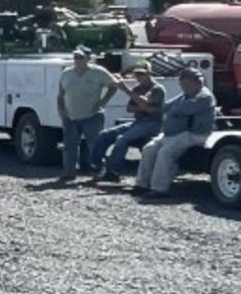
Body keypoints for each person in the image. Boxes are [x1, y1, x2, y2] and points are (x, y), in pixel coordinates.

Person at [132, 67, 217, 199]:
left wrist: (169, 110)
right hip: (175, 134)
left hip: (194, 134)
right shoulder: (185, 95)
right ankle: (141, 184)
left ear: (197, 82)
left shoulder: (204, 97)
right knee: (148, 149)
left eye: (186, 83)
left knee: (165, 153)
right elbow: (165, 107)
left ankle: (159, 189)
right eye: (182, 83)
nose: (183, 86)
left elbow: (180, 109)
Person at [90, 64, 164, 181]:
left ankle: (114, 172)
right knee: (104, 134)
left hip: (152, 124)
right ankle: (96, 166)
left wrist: (126, 90)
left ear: (149, 74)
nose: (139, 77)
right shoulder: (137, 89)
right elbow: (130, 108)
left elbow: (151, 109)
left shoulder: (157, 89)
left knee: (122, 140)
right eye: (137, 75)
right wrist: (143, 104)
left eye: (142, 74)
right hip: (138, 121)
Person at [55, 48, 116, 181]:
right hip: (70, 116)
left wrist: (103, 101)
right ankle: (69, 171)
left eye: (81, 57)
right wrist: (61, 110)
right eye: (76, 57)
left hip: (92, 115)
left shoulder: (98, 72)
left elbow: (114, 85)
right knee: (69, 145)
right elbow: (61, 94)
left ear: (88, 58)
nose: (77, 60)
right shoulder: (66, 73)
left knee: (94, 144)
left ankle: (98, 170)